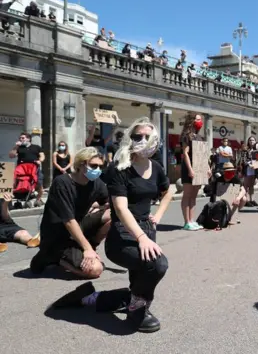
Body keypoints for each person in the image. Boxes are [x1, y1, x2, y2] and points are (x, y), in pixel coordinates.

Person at [49, 117, 173, 333]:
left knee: (140, 278)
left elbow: (168, 191)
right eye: (137, 136)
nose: (142, 140)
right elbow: (121, 208)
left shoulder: (157, 167)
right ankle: (137, 309)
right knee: (157, 265)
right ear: (130, 139)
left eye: (147, 136)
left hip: (147, 229)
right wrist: (141, 238)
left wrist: (158, 216)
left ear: (155, 141)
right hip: (123, 233)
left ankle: (89, 298)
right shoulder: (120, 168)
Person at [30, 147, 111, 278]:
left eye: (101, 167)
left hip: (78, 227)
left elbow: (108, 202)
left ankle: (89, 248)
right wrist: (87, 248)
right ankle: (51, 255)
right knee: (96, 270)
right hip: (58, 235)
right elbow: (68, 220)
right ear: (81, 164)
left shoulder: (96, 183)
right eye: (94, 165)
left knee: (113, 215)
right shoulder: (62, 182)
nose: (97, 170)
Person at [180, 113, 207, 230]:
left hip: (200, 168)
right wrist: (190, 169)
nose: (200, 121)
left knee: (194, 196)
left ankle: (192, 220)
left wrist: (208, 168)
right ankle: (187, 222)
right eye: (198, 119)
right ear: (191, 121)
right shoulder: (187, 136)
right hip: (189, 168)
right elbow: (185, 153)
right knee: (187, 195)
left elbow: (203, 155)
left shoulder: (200, 137)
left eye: (201, 119)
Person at [9, 132, 45, 206]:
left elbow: (42, 155)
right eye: (20, 138)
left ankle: (38, 199)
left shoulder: (36, 147)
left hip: (35, 168)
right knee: (19, 184)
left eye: (23, 138)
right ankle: (19, 198)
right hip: (22, 170)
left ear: (28, 139)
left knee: (40, 184)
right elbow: (11, 155)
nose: (20, 139)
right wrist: (16, 146)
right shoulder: (19, 148)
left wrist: (40, 160)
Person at [240, 136, 258, 207]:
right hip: (247, 169)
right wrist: (249, 164)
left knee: (252, 185)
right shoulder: (245, 149)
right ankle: (246, 200)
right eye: (250, 140)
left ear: (255, 141)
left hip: (254, 169)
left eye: (253, 140)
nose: (251, 141)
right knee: (246, 186)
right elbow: (243, 160)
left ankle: (252, 200)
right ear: (248, 141)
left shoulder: (257, 149)